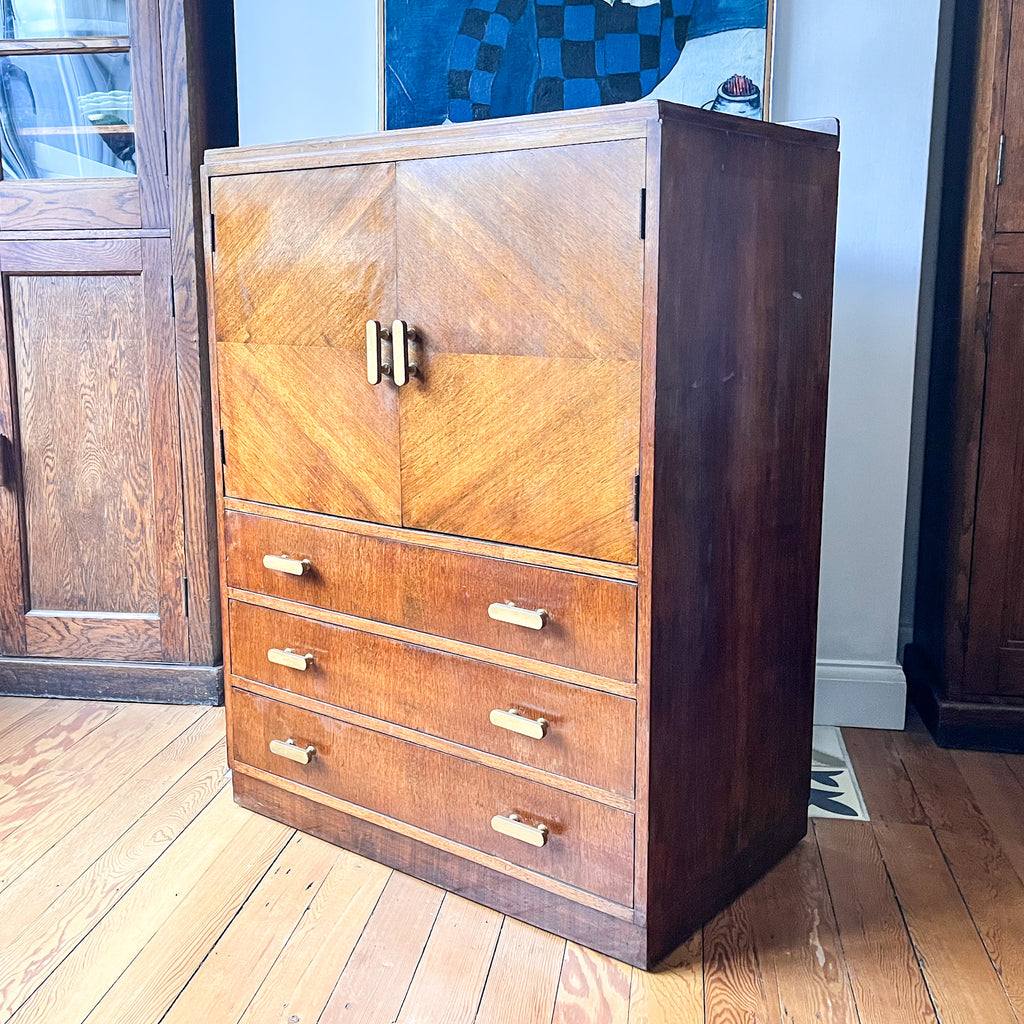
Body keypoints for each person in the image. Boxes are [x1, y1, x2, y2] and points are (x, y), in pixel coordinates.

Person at [447, 0, 695, 122]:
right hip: (558, 129)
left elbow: (686, 53)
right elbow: (481, 31)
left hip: (642, 132)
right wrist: (466, 126)